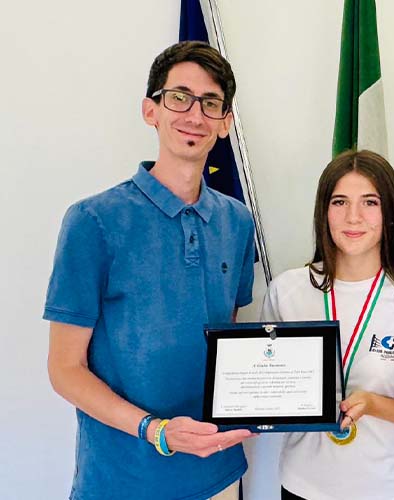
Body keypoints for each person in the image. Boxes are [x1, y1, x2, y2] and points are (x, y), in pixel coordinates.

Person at [45, 41, 255, 500]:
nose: (195, 115)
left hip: (219, 472)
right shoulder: (92, 221)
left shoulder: (238, 221)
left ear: (225, 122)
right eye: (179, 97)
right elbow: (64, 369)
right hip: (124, 480)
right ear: (150, 110)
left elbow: (231, 342)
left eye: (211, 103)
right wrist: (155, 430)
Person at [262, 150, 394, 500]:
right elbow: (268, 386)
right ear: (324, 211)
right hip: (303, 486)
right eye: (340, 202)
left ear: (389, 212)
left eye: (370, 202)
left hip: (392, 489)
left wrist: (373, 404)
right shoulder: (287, 291)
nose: (353, 216)